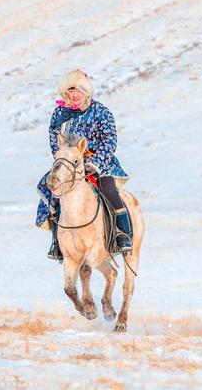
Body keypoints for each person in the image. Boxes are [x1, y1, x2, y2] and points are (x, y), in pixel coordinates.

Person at [36, 69, 133, 260]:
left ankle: (123, 235)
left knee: (109, 191)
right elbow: (54, 138)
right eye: (70, 90)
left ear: (86, 92)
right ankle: (58, 241)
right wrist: (62, 156)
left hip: (100, 164)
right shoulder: (59, 114)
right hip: (70, 165)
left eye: (78, 91)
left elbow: (110, 140)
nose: (74, 95)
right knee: (47, 188)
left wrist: (96, 163)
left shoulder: (101, 112)